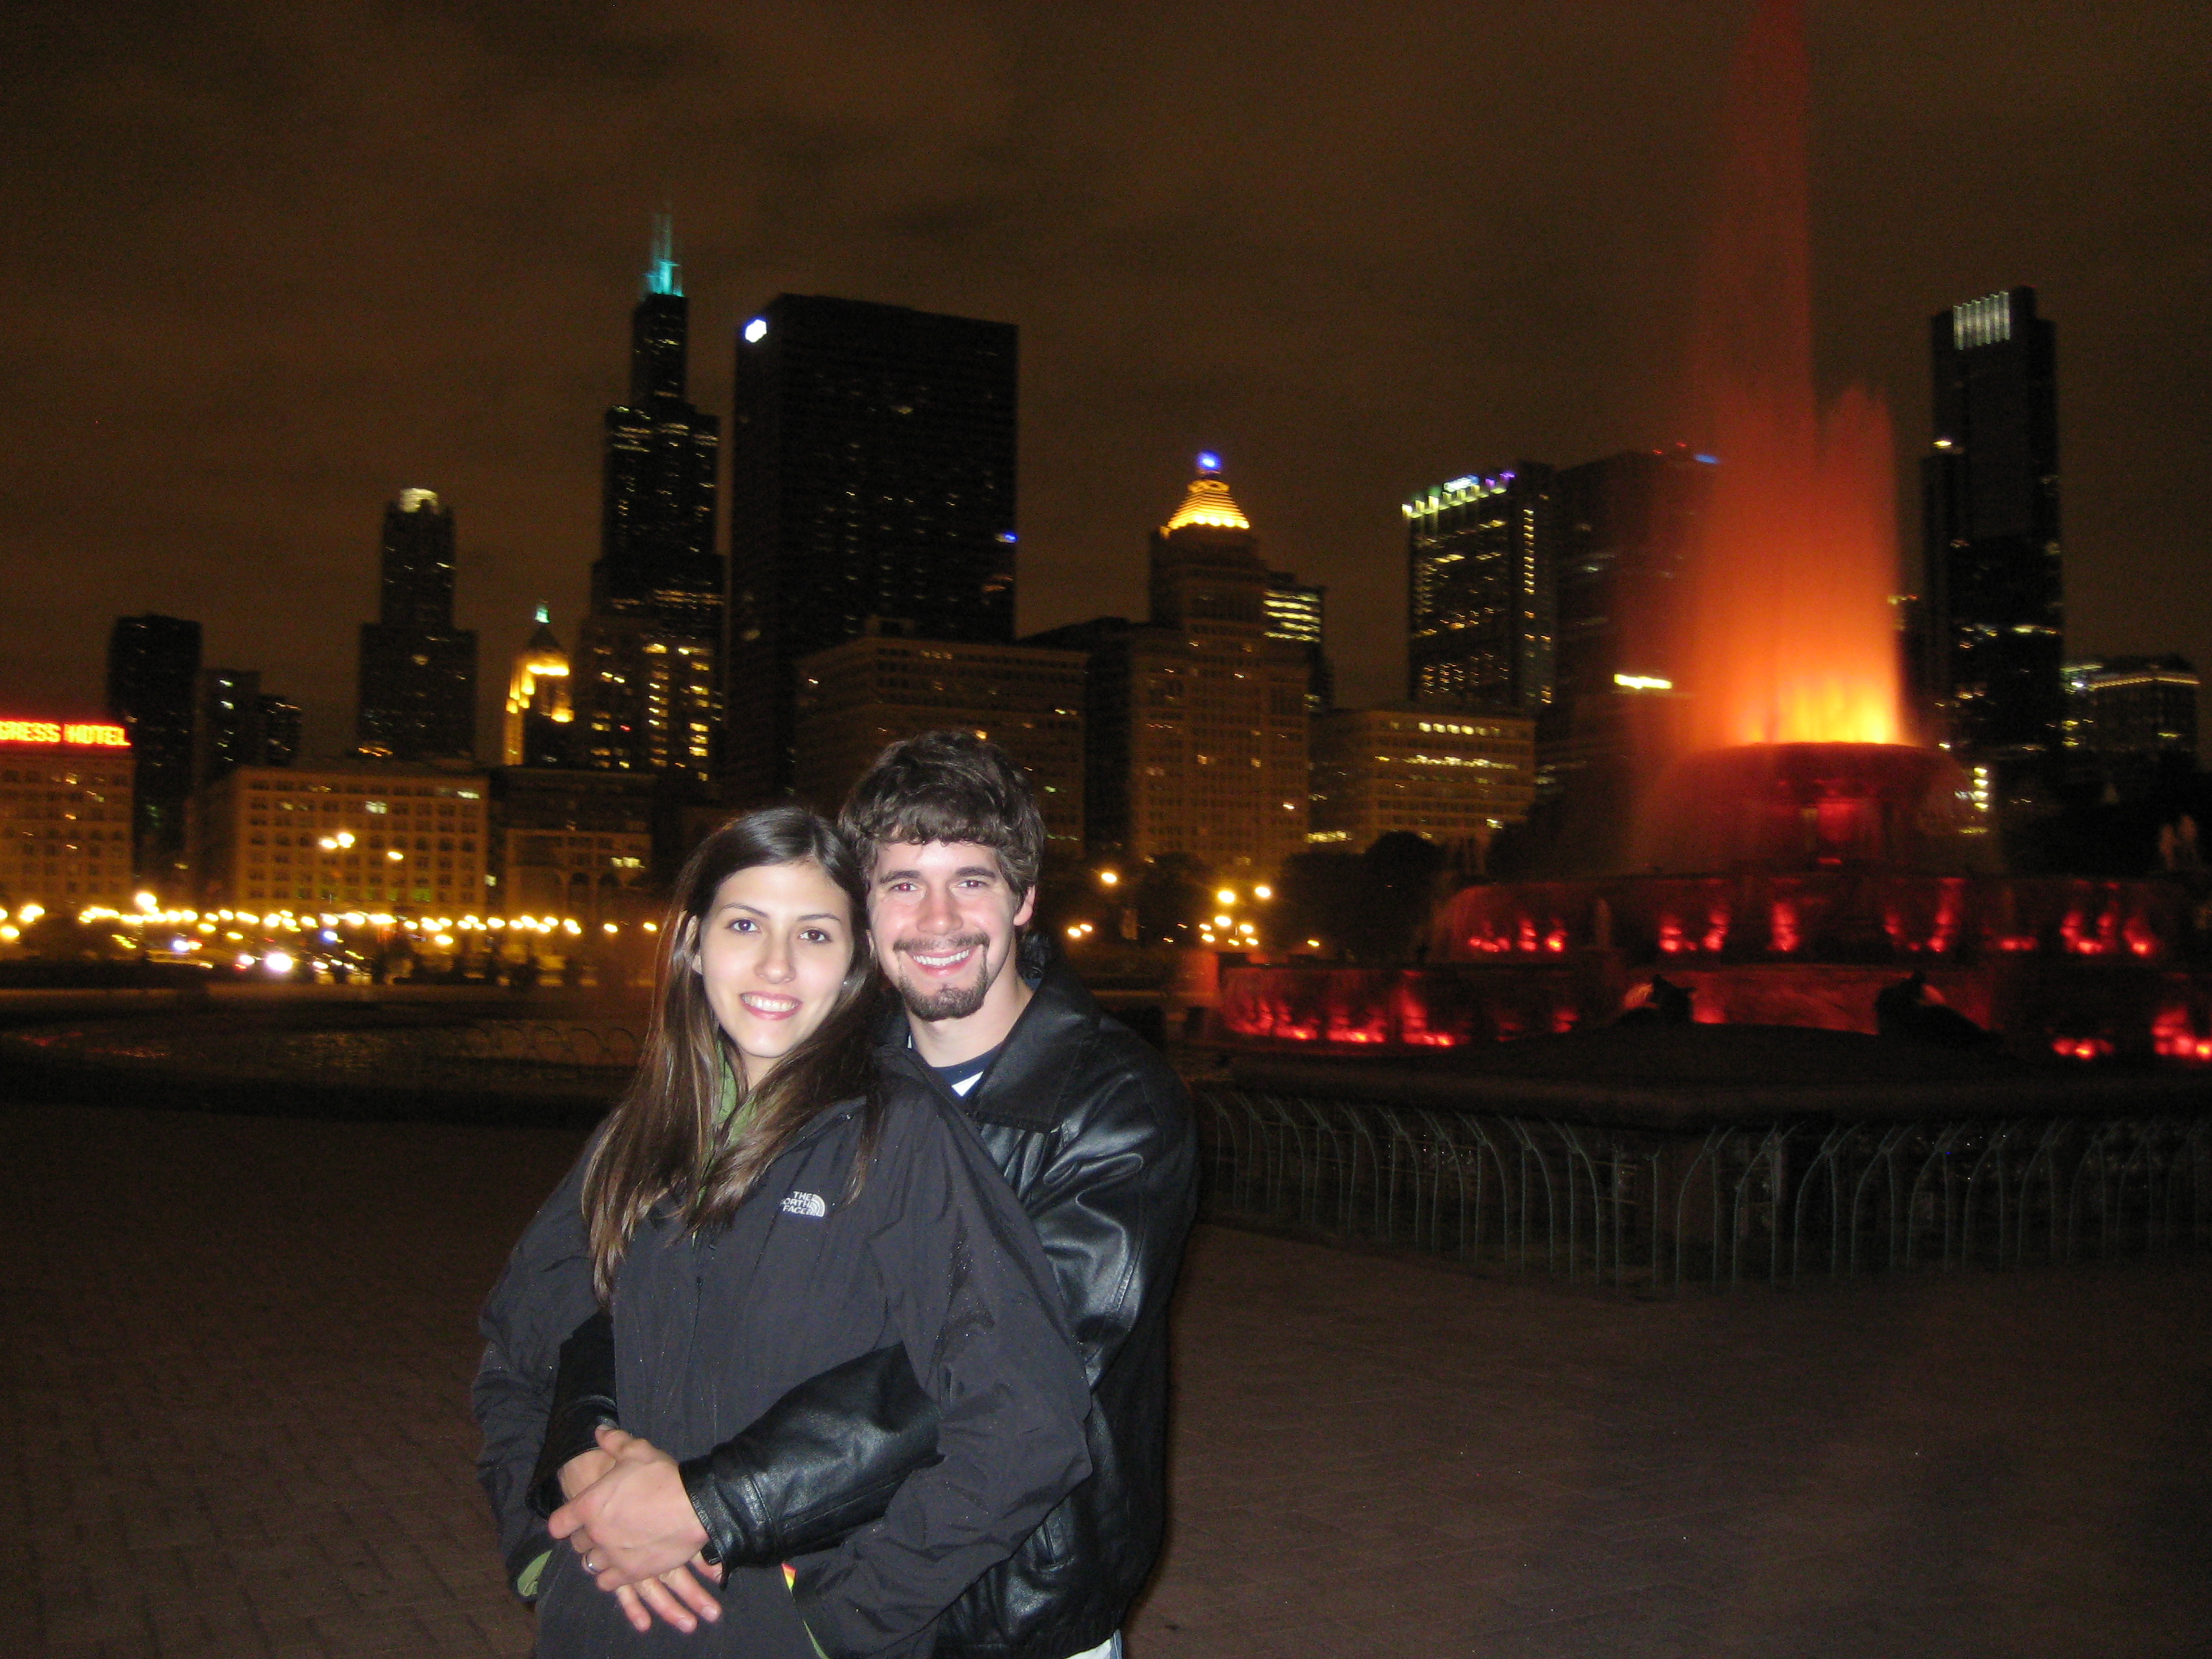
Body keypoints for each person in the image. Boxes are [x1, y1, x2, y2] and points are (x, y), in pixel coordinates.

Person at [518, 732, 1198, 1659]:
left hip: (1012, 1600)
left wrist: (707, 1501)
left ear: (1025, 900)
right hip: (814, 1567)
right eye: (902, 883)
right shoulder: (817, 1072)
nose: (938, 918)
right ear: (863, 912)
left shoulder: (1116, 1107)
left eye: (972, 879)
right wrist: (588, 1445)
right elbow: (615, 1283)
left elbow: (1012, 1371)